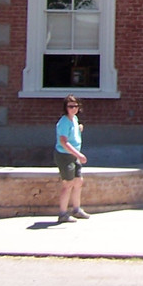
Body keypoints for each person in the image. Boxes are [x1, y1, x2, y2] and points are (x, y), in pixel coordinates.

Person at [54, 94, 89, 223]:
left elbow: (74, 131)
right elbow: (64, 142)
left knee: (78, 181)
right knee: (67, 184)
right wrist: (79, 155)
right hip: (65, 156)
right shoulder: (64, 122)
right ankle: (63, 213)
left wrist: (79, 127)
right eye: (70, 106)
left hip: (73, 156)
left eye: (75, 106)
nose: (73, 108)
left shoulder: (74, 119)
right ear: (66, 108)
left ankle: (76, 209)